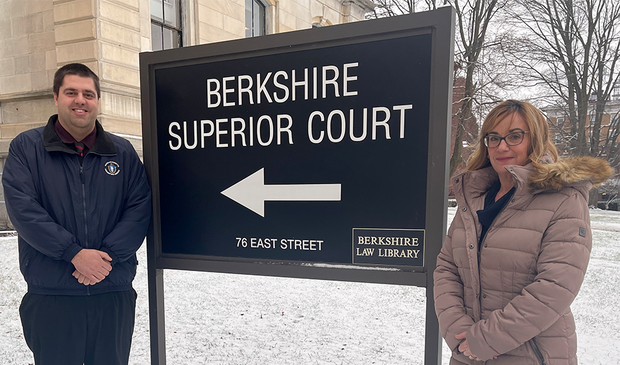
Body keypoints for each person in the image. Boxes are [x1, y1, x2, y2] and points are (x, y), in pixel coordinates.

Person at [433, 100, 613, 364]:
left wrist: (485, 339)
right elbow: (446, 268)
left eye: (514, 136)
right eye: (493, 138)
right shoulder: (474, 199)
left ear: (535, 139)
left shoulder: (563, 199)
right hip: (467, 353)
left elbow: (555, 287)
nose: (501, 146)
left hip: (532, 355)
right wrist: (459, 332)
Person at [2, 63, 152, 365]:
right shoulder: (26, 149)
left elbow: (139, 209)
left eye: (88, 94)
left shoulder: (122, 153)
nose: (80, 100)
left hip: (113, 294)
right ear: (56, 98)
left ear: (97, 101)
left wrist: (104, 258)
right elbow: (24, 210)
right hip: (52, 296)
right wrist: (73, 253)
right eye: (71, 92)